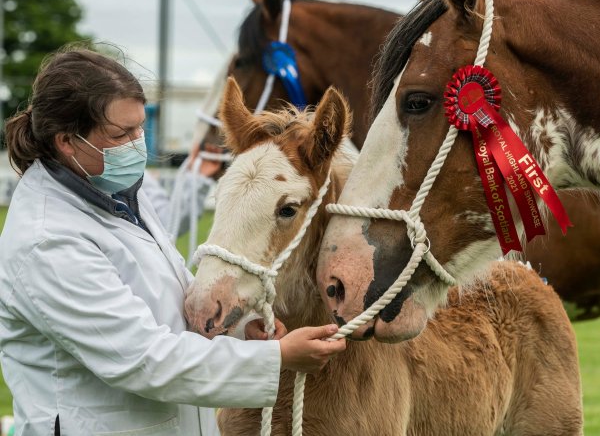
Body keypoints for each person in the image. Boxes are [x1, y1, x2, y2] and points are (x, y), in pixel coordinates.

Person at [0, 46, 346, 435]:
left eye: (139, 126)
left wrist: (237, 328)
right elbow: (143, 358)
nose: (138, 143)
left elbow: (160, 299)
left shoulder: (113, 191)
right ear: (67, 141)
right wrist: (277, 357)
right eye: (121, 134)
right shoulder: (47, 241)